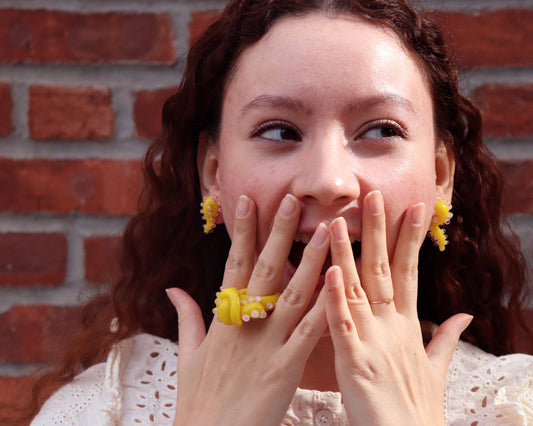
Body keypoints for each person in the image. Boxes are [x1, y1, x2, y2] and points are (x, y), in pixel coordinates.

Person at [7, 0, 532, 424]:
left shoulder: (514, 406)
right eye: (279, 131)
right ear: (213, 170)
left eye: (380, 130)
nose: (328, 182)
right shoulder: (104, 409)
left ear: (441, 174)